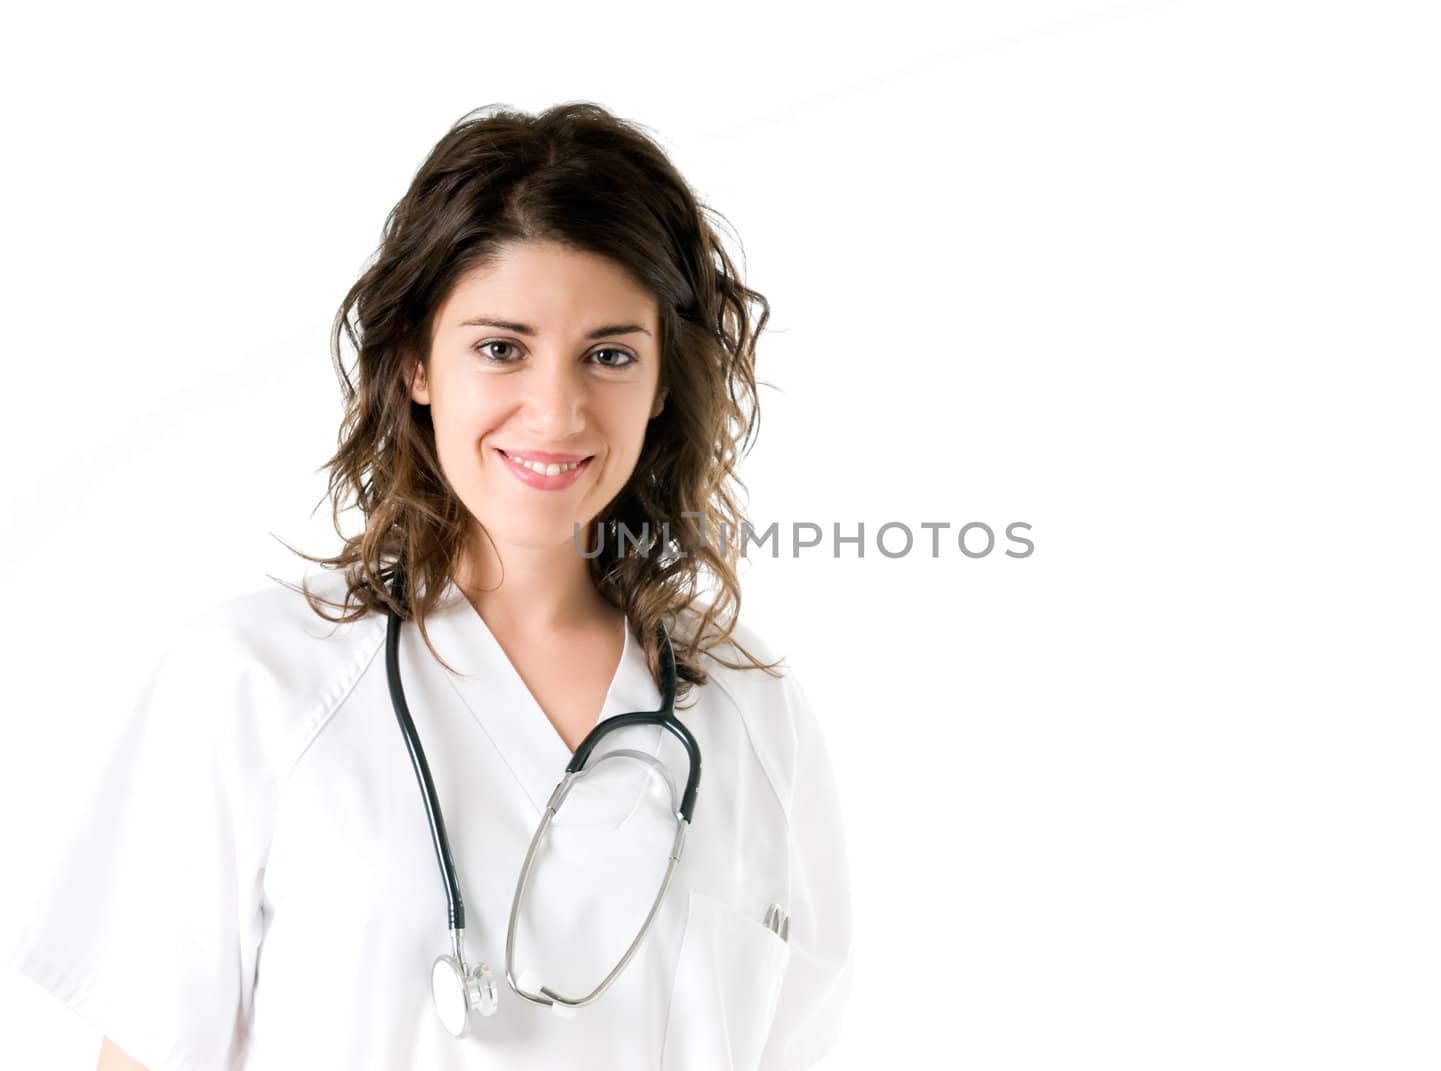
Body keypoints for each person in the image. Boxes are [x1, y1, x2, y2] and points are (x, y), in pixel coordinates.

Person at [6, 101, 852, 1070]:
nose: (556, 410)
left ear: (663, 382)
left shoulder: (749, 711)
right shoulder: (254, 684)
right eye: (502, 347)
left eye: (608, 355)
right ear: (415, 360)